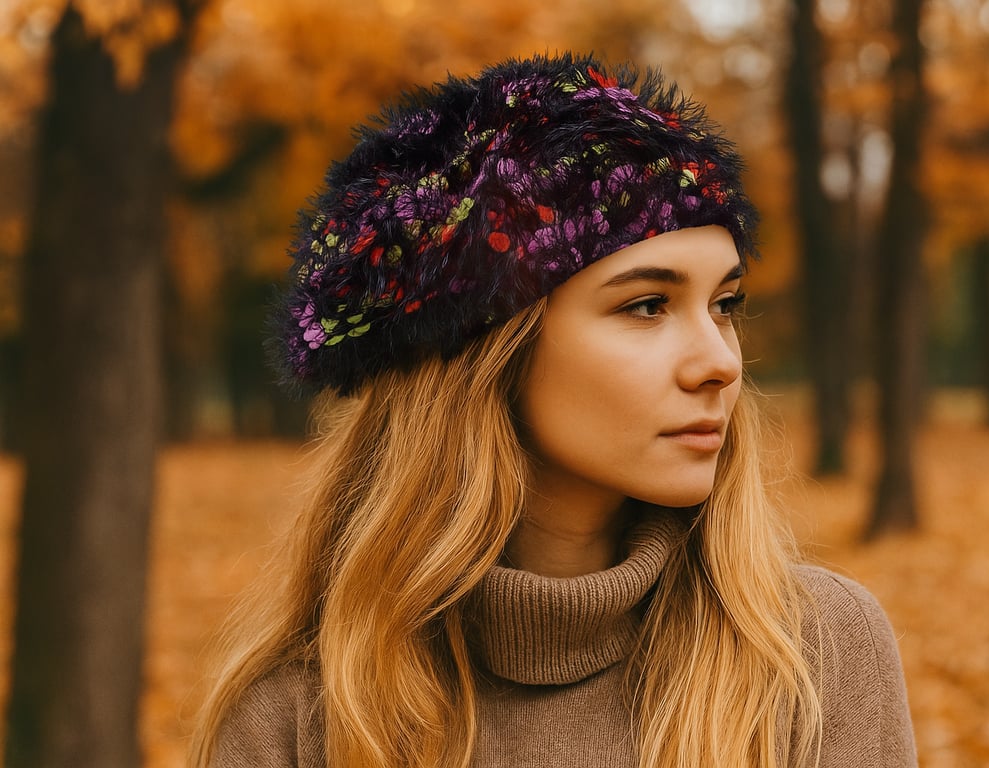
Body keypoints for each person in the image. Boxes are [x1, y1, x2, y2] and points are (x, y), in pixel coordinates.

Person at [190, 53, 916, 768]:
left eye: (725, 304)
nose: (722, 363)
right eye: (647, 305)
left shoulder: (814, 656)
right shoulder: (302, 718)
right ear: (486, 351)